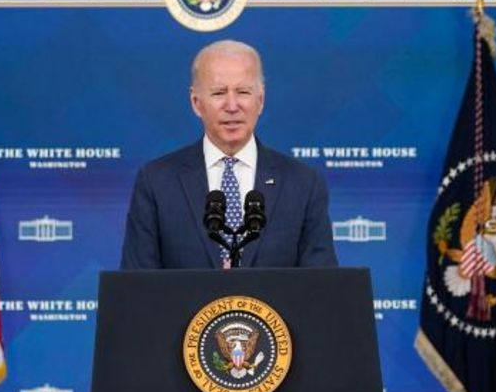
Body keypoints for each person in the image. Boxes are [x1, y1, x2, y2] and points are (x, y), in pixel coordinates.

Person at [120, 39, 337, 269]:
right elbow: (137, 289)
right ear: (196, 102)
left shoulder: (303, 183)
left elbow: (322, 290)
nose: (232, 106)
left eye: (243, 92)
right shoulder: (157, 181)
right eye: (219, 93)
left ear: (260, 100)